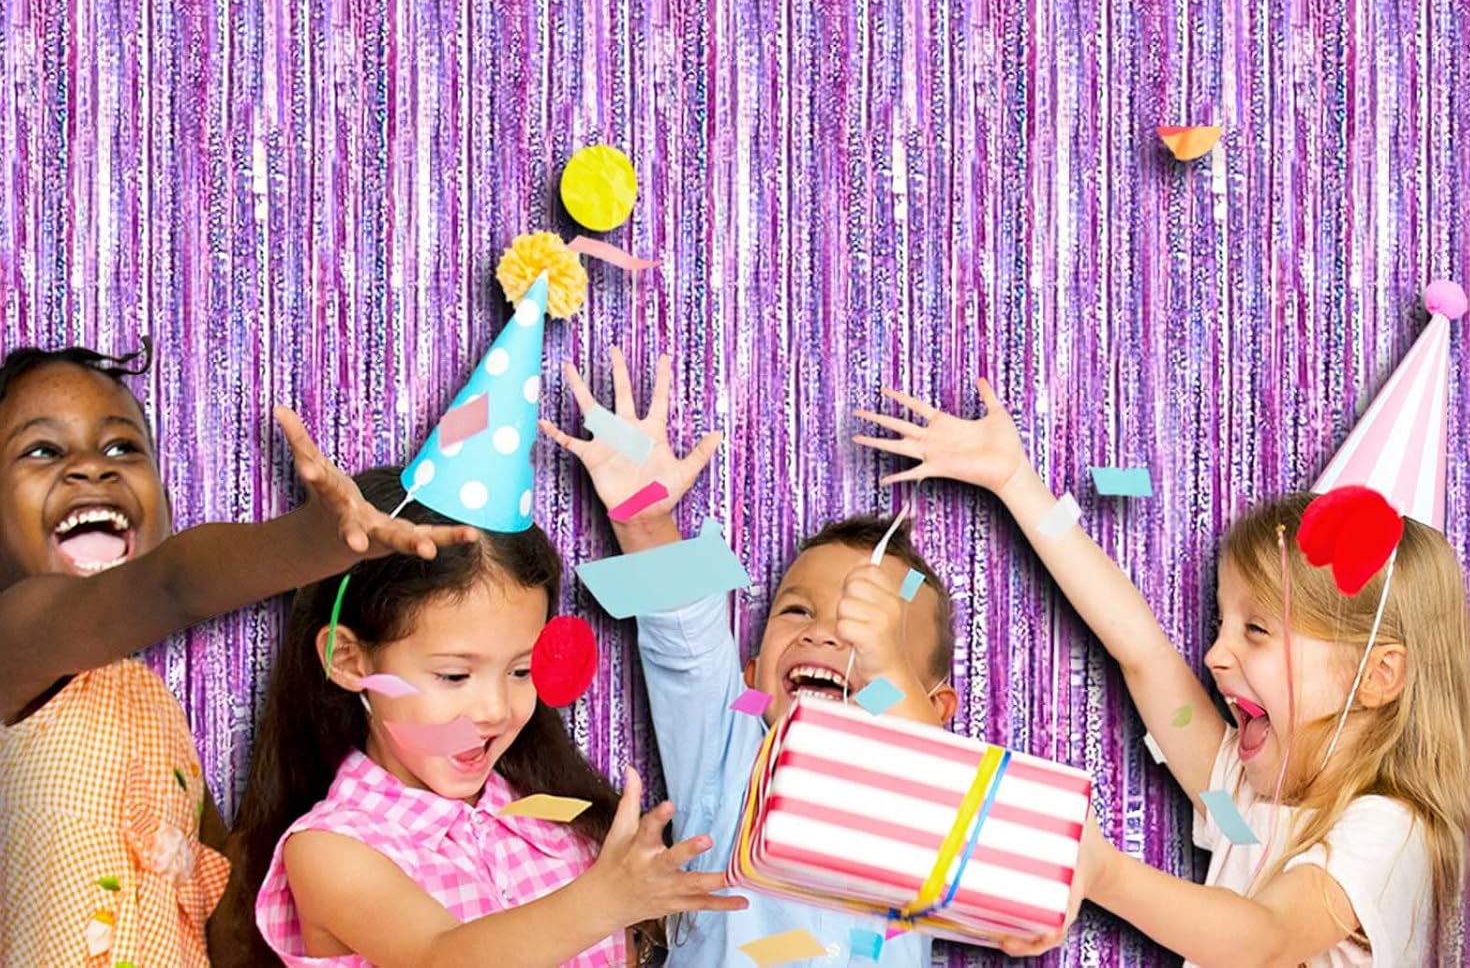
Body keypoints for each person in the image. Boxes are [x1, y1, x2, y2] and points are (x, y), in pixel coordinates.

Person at [856, 378, 1470, 964]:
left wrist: (1105, 872)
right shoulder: (1242, 797)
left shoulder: (1390, 830)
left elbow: (1263, 938)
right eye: (1221, 624)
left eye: (1256, 630)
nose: (1215, 655)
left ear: (1376, 676)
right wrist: (1016, 481)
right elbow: (1142, 652)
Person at [0, 341, 477, 966]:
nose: (93, 468)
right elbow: (170, 586)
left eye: (121, 448)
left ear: (166, 504)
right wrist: (316, 540)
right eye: (42, 450)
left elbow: (221, 903)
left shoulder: (147, 705)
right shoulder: (16, 642)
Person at [544, 348, 960, 966]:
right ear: (751, 677)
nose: (823, 635)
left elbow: (932, 766)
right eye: (798, 612)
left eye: (868, 629)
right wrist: (645, 522)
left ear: (936, 707)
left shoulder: (937, 809)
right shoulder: (732, 748)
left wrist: (892, 692)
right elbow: (684, 642)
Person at [234, 466, 746, 967]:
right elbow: (438, 956)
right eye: (455, 676)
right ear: (350, 660)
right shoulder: (332, 847)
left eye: (521, 671)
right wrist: (605, 901)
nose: (496, 710)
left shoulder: (557, 816)